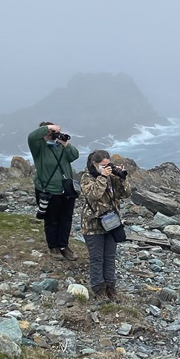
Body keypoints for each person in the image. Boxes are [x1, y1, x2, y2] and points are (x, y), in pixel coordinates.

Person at [79, 150, 131, 299]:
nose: (107, 168)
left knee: (110, 256)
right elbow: (94, 195)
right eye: (103, 165)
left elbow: (126, 194)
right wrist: (102, 177)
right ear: (94, 164)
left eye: (108, 165)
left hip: (111, 223)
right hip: (93, 224)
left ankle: (110, 286)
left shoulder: (111, 176)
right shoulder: (86, 177)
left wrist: (121, 177)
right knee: (97, 258)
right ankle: (98, 288)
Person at [27, 121, 80, 260]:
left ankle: (64, 245)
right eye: (51, 132)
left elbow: (74, 155)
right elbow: (31, 137)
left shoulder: (60, 147)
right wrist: (48, 128)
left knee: (66, 219)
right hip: (49, 190)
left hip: (66, 190)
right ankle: (54, 247)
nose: (53, 135)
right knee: (52, 219)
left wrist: (65, 144)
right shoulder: (39, 148)